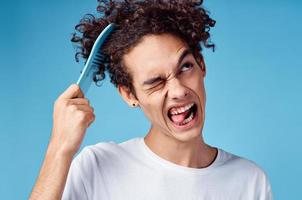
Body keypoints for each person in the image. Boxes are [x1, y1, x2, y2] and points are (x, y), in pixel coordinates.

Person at [30, 0, 273, 199]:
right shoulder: (96, 168)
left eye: (185, 67)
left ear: (201, 65)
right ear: (129, 95)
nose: (178, 90)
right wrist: (58, 150)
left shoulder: (249, 181)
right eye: (156, 81)